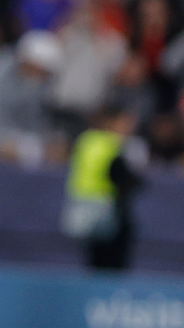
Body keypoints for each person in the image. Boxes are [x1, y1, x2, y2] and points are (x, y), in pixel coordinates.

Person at [62, 106, 144, 271]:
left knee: (92, 258)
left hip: (82, 203)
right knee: (109, 259)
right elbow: (120, 176)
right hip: (105, 207)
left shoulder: (86, 140)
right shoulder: (112, 144)